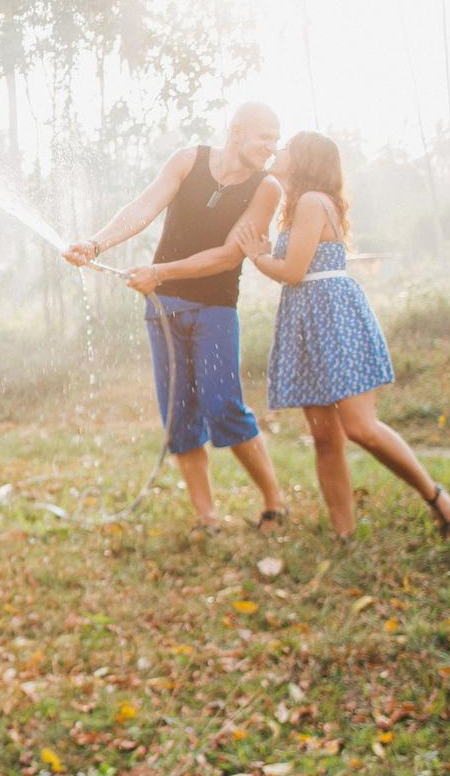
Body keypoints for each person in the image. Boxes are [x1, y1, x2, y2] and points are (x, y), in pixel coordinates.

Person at [63, 102, 287, 533]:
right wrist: (94, 245)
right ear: (237, 131)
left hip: (216, 308)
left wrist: (160, 272)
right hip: (163, 308)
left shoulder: (267, 187)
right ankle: (207, 518)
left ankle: (275, 503)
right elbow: (143, 207)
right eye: (265, 137)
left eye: (276, 140)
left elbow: (227, 255)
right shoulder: (189, 160)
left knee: (223, 405)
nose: (272, 148)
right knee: (179, 414)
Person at [234, 131, 450, 541]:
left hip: (334, 319)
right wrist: (266, 253)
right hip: (307, 321)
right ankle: (344, 535)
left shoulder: (310, 202)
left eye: (286, 145)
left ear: (303, 158)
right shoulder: (297, 205)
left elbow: (291, 272)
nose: (277, 149)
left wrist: (258, 256)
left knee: (361, 427)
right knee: (324, 437)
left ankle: (437, 498)